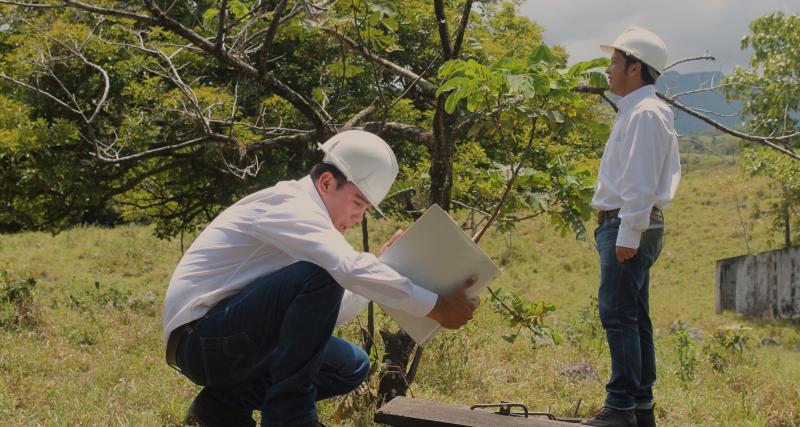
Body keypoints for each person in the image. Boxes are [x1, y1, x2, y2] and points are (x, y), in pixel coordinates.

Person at [162, 130, 479, 427]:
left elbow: (332, 309)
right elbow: (345, 269)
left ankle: (222, 406)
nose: (358, 217)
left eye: (366, 209)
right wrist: (434, 305)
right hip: (201, 343)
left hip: (228, 343)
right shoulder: (289, 205)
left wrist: (383, 266)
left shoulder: (314, 233)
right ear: (327, 183)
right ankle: (291, 417)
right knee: (323, 272)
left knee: (351, 364)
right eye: (357, 202)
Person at [581, 27, 681, 427]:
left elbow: (639, 179)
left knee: (618, 313)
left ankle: (621, 405)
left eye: (615, 62)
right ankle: (640, 406)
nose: (608, 69)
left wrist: (628, 231)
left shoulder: (645, 113)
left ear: (635, 68)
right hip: (630, 222)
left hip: (628, 222)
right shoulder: (638, 110)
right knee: (634, 315)